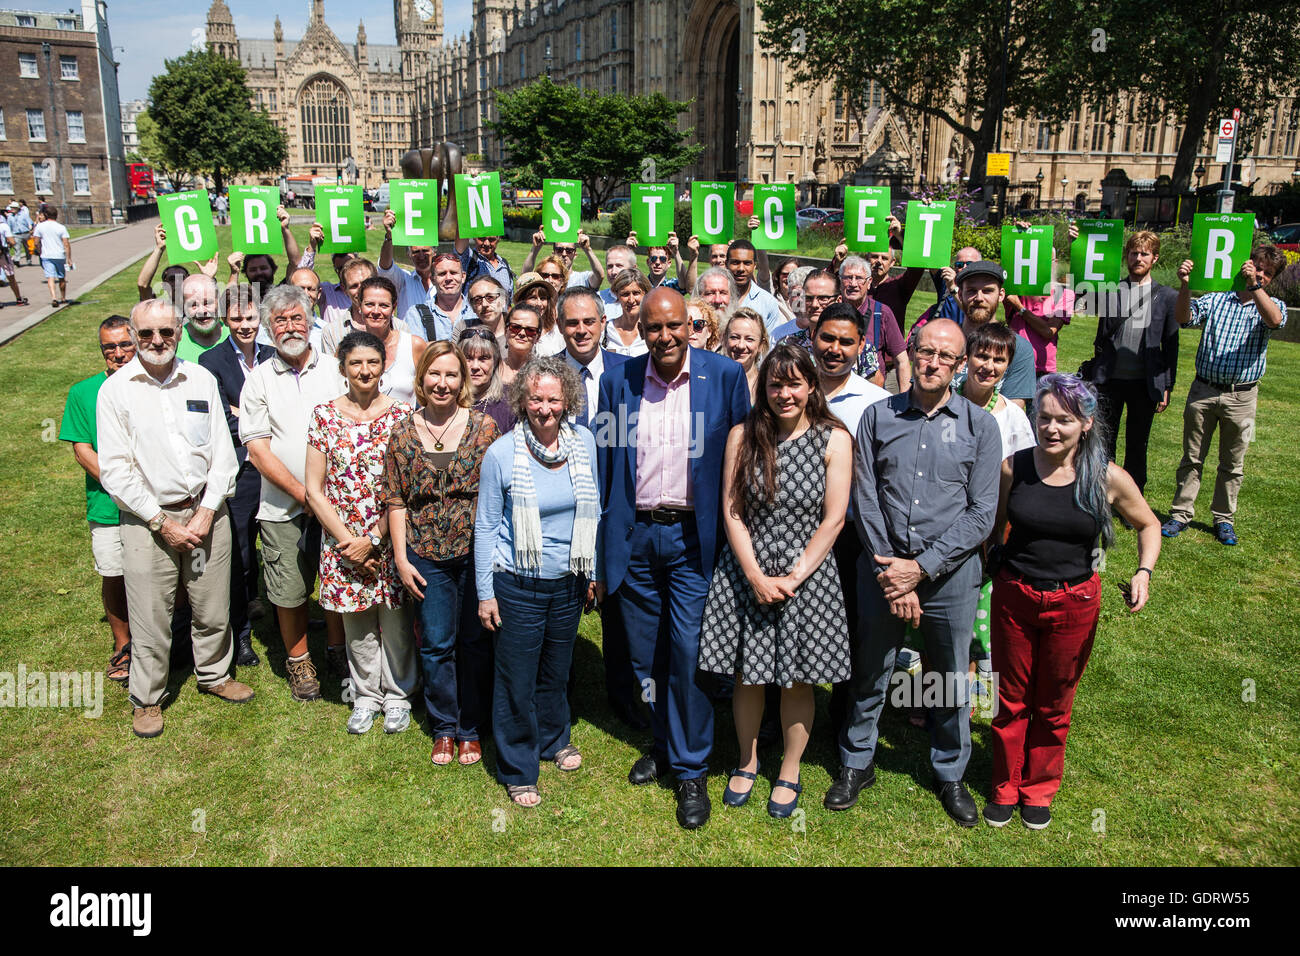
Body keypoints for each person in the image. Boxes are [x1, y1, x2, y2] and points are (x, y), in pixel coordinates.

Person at [829, 318, 1001, 826]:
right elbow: (865, 497)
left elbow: (982, 513)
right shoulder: (878, 417)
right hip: (881, 567)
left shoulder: (980, 426)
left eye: (945, 358)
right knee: (871, 667)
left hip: (950, 575)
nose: (932, 364)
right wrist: (892, 570)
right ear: (913, 354)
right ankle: (856, 762)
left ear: (959, 365)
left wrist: (920, 570)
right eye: (925, 352)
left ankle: (949, 770)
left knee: (949, 675)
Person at [597, 286, 751, 830]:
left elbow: (744, 458)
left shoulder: (724, 377)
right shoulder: (618, 379)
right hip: (636, 536)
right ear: (640, 328)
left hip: (693, 538)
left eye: (673, 326)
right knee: (646, 656)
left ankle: (690, 768)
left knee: (686, 651)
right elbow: (605, 461)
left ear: (691, 325)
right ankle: (664, 742)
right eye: (653, 327)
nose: (664, 337)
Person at [985, 374, 1161, 830]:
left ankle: (1038, 789)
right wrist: (992, 569)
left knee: (1054, 701)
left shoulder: (1106, 477)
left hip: (1074, 602)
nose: (1051, 428)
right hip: (1015, 597)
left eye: (1064, 420)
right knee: (1010, 698)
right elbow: (996, 527)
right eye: (1044, 418)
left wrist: (1143, 572)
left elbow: (1148, 524)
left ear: (1085, 423)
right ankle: (1005, 785)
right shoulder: (1014, 468)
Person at [700, 344, 853, 818]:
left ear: (811, 387)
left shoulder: (834, 438)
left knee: (797, 680)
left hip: (807, 575)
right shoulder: (743, 436)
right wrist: (754, 576)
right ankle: (746, 761)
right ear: (762, 388)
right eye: (775, 384)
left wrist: (791, 577)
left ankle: (790, 768)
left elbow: (834, 519)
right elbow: (732, 509)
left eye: (794, 384)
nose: (784, 393)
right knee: (748, 675)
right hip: (747, 571)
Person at [97, 298, 251, 739]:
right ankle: (147, 698)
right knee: (150, 614)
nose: (157, 341)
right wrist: (160, 522)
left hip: (206, 512)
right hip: (148, 522)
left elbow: (224, 452)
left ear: (179, 330)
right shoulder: (117, 391)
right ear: (134, 334)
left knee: (211, 604)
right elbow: (116, 470)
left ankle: (215, 675)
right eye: (146, 334)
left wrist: (205, 512)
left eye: (166, 331)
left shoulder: (200, 378)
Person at [475, 356, 601, 807]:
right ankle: (518, 766)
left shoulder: (584, 442)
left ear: (567, 399)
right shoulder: (502, 453)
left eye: (553, 399)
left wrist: (592, 572)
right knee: (516, 678)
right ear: (521, 401)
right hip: (518, 583)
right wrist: (485, 592)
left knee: (556, 670)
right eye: (535, 399)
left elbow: (595, 510)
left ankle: (553, 739)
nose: (544, 408)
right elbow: (487, 526)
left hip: (567, 581)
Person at [386, 341, 500, 764]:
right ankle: (444, 727)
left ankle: (471, 726)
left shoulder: (485, 429)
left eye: (452, 374)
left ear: (463, 381)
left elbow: (500, 493)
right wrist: (400, 558)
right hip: (424, 555)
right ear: (421, 379)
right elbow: (395, 500)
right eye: (434, 373)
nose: (442, 383)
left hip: (476, 552)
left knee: (475, 640)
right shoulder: (401, 432)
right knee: (436, 643)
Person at [240, 285, 349, 701]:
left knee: (337, 583)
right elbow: (258, 449)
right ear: (269, 327)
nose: (289, 326)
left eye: (296, 317)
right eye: (280, 320)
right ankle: (299, 660)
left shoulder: (334, 369)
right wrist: (305, 495)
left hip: (339, 501)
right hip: (282, 504)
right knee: (288, 588)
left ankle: (338, 651)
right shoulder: (259, 380)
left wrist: (324, 497)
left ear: (310, 319)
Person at [305, 331, 415, 733]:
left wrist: (375, 538)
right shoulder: (324, 416)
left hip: (389, 536)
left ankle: (400, 695)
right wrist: (350, 542)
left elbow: (406, 486)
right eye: (356, 363)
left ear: (384, 365)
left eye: (372, 362)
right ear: (342, 368)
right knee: (358, 625)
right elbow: (314, 490)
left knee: (397, 623)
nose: (365, 371)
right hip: (343, 542)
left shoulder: (403, 415)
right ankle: (367, 695)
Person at [552, 287, 642, 728]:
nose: (581, 330)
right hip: (562, 509)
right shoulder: (547, 376)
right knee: (562, 605)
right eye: (572, 322)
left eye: (589, 321)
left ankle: (626, 697)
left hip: (617, 507)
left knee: (621, 611)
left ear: (604, 323)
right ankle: (558, 695)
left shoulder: (629, 372)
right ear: (560, 326)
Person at [1162, 245, 1288, 546]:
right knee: (1192, 457)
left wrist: (1255, 288)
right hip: (1204, 390)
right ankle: (1180, 513)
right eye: (1256, 266)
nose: (1258, 274)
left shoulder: (1272, 304)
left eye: (1266, 273)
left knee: (1232, 463)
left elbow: (1274, 321)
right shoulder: (1218, 299)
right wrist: (1184, 285)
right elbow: (1184, 318)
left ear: (1271, 279)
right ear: (1245, 263)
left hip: (1242, 397)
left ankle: (1223, 519)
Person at [809, 302, 890, 734]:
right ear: (812, 337)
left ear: (862, 346)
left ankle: (843, 722)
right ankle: (778, 718)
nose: (834, 349)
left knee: (852, 628)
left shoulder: (879, 404)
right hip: (790, 530)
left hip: (851, 535)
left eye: (846, 342)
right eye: (827, 338)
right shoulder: (789, 389)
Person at [198, 285, 275, 667]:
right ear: (225, 320)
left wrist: (241, 411)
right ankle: (240, 632)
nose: (245, 326)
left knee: (282, 545)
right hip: (241, 469)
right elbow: (217, 419)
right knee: (241, 553)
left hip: (275, 468)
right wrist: (255, 416)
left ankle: (282, 614)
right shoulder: (209, 361)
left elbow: (286, 412)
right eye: (237, 319)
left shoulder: (274, 356)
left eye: (250, 318)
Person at [60, 316, 137, 685]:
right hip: (108, 504)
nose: (119, 354)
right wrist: (123, 486)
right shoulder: (82, 392)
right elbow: (81, 450)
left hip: (158, 501)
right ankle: (124, 645)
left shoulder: (151, 384)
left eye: (125, 344)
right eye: (110, 348)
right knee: (115, 573)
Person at [1080, 230, 1179, 495]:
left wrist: (1167, 385)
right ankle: (1103, 494)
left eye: (1144, 254)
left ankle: (1132, 500)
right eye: (1133, 253)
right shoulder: (1112, 289)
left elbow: (1171, 345)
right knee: (1104, 442)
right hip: (1109, 379)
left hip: (1144, 383)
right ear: (1126, 256)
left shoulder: (1166, 296)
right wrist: (1076, 245)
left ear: (1155, 258)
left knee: (1137, 445)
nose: (1138, 258)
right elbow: (1080, 298)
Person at [952, 260, 1037, 409]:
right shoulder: (944, 342)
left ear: (1001, 295)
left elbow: (1011, 413)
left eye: (988, 291)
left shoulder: (1019, 349)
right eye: (971, 290)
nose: (979, 298)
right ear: (960, 294)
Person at [354, 275, 427, 405]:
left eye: (384, 305)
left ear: (394, 308)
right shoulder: (350, 350)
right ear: (359, 306)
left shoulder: (413, 346)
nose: (376, 311)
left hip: (405, 424)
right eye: (369, 304)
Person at [838, 255, 909, 388]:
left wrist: (906, 400)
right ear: (840, 280)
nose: (853, 284)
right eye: (848, 278)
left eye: (859, 278)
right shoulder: (830, 312)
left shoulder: (882, 313)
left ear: (869, 282)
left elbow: (902, 361)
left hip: (871, 392)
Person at [402, 251, 475, 342]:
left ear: (463, 277)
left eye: (453, 273)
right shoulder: (416, 315)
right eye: (442, 274)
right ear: (433, 280)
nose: (448, 278)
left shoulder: (477, 312)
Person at [459, 326, 516, 432]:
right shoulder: (449, 401)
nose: (475, 366)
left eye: (483, 359)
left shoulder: (511, 402)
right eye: (468, 358)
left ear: (495, 362)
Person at [318, 258, 378, 356]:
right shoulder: (331, 332)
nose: (361, 290)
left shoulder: (397, 327)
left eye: (366, 283)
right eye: (354, 286)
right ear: (344, 290)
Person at [522, 228, 606, 290]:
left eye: (569, 250)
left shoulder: (583, 278)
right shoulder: (545, 276)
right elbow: (525, 276)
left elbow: (599, 276)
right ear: (553, 253)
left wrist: (587, 249)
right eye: (559, 250)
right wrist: (535, 249)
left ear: (575, 255)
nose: (564, 254)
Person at [726, 240, 783, 332]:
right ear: (726, 264)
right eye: (735, 262)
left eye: (747, 263)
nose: (741, 268)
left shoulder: (768, 302)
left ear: (754, 266)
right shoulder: (715, 297)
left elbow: (772, 342)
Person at [174, 275, 229, 364]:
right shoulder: (174, 341)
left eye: (207, 303)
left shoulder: (235, 335)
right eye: (193, 305)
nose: (201, 311)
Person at [720, 307, 770, 402]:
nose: (741, 345)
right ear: (725, 340)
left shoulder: (768, 386)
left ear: (761, 345)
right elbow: (698, 414)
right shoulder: (711, 381)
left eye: (749, 339)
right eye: (735, 337)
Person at [511, 271, 564, 354]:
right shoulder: (514, 332)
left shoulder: (556, 332)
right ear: (522, 301)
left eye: (543, 298)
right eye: (533, 298)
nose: (539, 304)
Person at [603, 268, 651, 356]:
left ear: (645, 294)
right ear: (617, 295)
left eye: (636, 293)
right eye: (625, 294)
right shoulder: (606, 330)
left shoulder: (652, 331)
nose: (631, 300)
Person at [33, 206, 72, 307]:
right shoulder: (61, 227)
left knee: (50, 277)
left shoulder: (40, 227)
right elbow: (66, 244)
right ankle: (63, 297)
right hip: (59, 255)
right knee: (61, 277)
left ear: (46, 215)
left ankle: (54, 297)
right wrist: (69, 258)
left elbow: (36, 242)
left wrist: (39, 251)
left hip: (46, 255)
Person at [454, 274, 508, 346]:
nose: (484, 304)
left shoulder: (516, 331)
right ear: (473, 307)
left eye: (490, 297)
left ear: (503, 301)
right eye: (477, 300)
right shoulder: (464, 328)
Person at [456, 234, 515, 299]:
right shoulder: (468, 259)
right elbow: (461, 241)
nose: (486, 243)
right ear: (474, 237)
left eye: (491, 240)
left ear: (498, 239)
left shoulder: (505, 265)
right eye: (482, 239)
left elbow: (508, 302)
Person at [501, 303, 542, 385]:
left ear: (537, 337)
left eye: (530, 330)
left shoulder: (543, 374)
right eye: (515, 327)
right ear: (506, 331)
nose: (522, 333)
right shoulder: (492, 369)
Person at [598, 243, 637, 322]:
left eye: (619, 266)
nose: (613, 271)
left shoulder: (643, 301)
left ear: (633, 269)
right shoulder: (597, 299)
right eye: (610, 266)